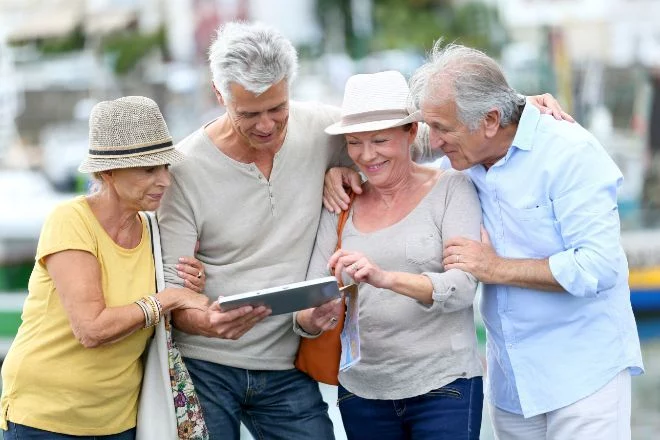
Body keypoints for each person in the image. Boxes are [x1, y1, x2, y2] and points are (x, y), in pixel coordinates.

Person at [409, 42, 644, 439]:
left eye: (444, 130)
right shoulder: (465, 146)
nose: (436, 140)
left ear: (490, 120)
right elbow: (388, 144)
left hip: (586, 378)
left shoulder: (570, 153)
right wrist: (338, 170)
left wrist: (493, 268)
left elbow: (598, 266)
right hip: (512, 383)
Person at [156, 22, 350, 440]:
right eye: (248, 113)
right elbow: (174, 290)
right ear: (218, 94)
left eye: (277, 108)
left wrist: (518, 108)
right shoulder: (184, 168)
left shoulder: (322, 128)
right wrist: (207, 322)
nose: (266, 125)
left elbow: (405, 139)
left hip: (286, 364)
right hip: (205, 366)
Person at [0, 96, 226, 439]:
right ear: (108, 172)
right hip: (44, 418)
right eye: (149, 169)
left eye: (166, 167)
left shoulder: (154, 230)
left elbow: (178, 298)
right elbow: (91, 329)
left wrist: (189, 284)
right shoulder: (70, 220)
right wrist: (168, 298)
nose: (164, 180)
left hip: (120, 419)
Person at [298, 70, 484, 440]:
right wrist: (312, 318)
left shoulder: (452, 188)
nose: (366, 156)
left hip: (445, 385)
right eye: (354, 143)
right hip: (362, 392)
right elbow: (308, 303)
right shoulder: (341, 201)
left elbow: (463, 288)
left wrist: (383, 278)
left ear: (411, 133)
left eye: (380, 140)